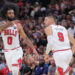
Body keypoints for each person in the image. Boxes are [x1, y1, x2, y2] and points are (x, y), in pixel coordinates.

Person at [0, 3, 38, 75]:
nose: (11, 15)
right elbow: (1, 28)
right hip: (7, 52)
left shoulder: (17, 25)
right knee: (15, 72)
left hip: (16, 50)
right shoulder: (2, 24)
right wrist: (10, 23)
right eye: (9, 13)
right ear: (6, 14)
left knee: (14, 70)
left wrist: (33, 48)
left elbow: (25, 38)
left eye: (13, 13)